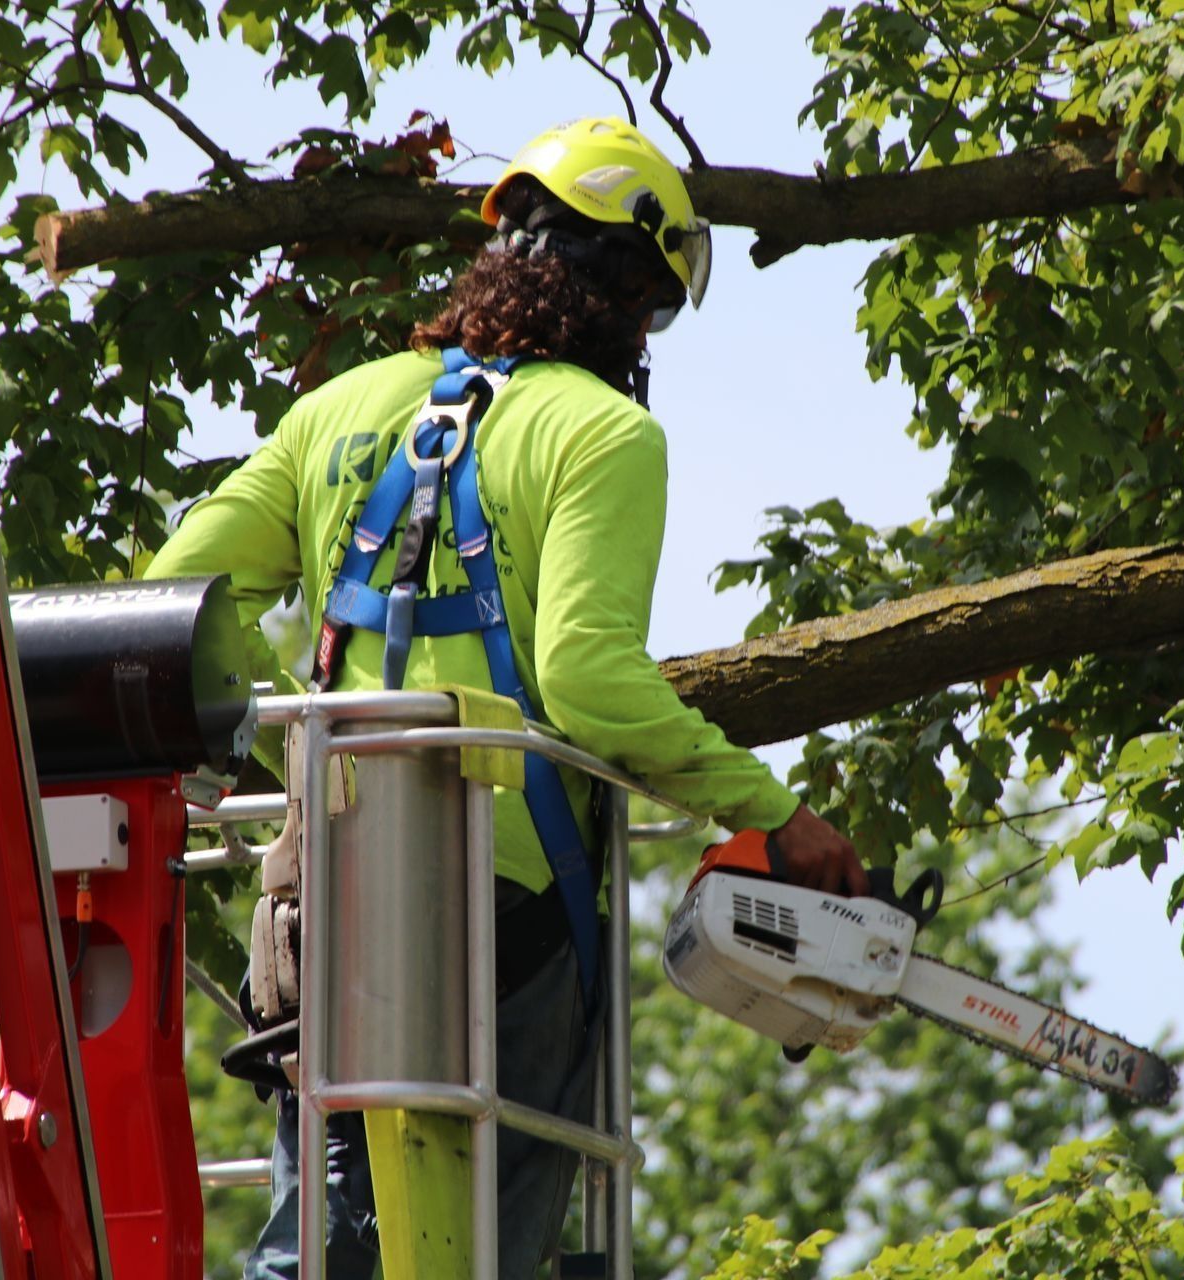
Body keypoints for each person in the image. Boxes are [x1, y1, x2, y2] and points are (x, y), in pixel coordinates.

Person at [146, 116, 867, 1278]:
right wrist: (770, 810)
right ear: (629, 285)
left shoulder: (345, 406)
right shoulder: (603, 432)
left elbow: (175, 595)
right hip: (506, 912)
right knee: (479, 1242)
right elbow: (589, 678)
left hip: (322, 888)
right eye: (652, 303)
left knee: (324, 1235)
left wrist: (295, 729)